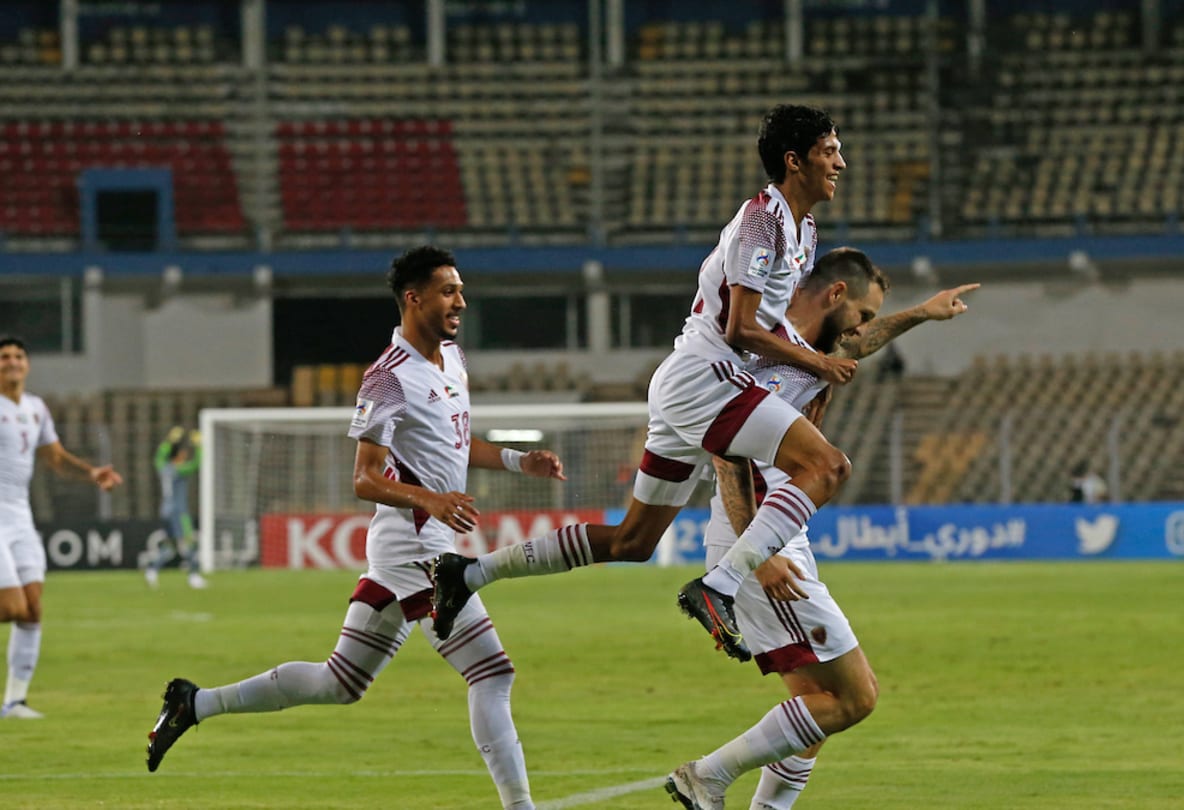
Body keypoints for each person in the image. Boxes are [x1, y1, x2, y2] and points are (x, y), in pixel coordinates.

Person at [433, 106, 952, 661]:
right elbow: (741, 328)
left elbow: (790, 330)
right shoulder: (762, 221)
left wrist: (909, 318)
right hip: (707, 378)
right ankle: (720, 586)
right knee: (829, 466)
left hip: (697, 384)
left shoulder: (804, 231)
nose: (841, 163)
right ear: (793, 160)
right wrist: (820, 367)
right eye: (830, 151)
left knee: (634, 540)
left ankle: (468, 572)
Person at [145, 247, 566, 810]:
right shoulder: (386, 379)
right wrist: (432, 500)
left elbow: (461, 444)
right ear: (413, 298)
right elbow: (364, 478)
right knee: (492, 673)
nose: (461, 301)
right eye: (448, 291)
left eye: (460, 290)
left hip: (414, 541)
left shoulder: (453, 359)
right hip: (415, 543)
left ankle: (193, 705)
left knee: (339, 683)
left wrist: (520, 461)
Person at [665, 257, 978, 810]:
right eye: (860, 312)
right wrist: (755, 556)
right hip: (760, 537)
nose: (861, 328)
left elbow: (858, 344)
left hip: (775, 534)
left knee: (814, 707)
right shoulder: (760, 359)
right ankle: (706, 777)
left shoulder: (811, 353)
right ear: (835, 294)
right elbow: (726, 461)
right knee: (854, 698)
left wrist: (922, 315)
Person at [0, 335, 124, 720]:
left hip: (20, 515)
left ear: (28, 364)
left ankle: (14, 702)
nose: (12, 362)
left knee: (32, 609)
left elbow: (54, 457)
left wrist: (91, 473)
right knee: (11, 605)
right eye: (4, 357)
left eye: (19, 356)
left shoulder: (35, 408)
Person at [145, 425, 206, 589]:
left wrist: (169, 441)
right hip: (179, 512)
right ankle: (194, 576)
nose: (185, 456)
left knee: (169, 548)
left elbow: (158, 457)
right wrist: (199, 445)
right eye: (183, 453)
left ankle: (151, 571)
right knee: (190, 543)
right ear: (178, 456)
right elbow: (196, 464)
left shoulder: (163, 468)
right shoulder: (179, 469)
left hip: (165, 511)